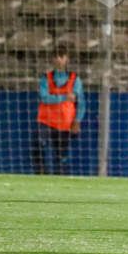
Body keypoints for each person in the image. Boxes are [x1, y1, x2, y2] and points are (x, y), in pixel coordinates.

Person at [33, 44, 85, 175]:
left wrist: (77, 121)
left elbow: (82, 102)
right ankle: (41, 174)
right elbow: (44, 98)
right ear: (52, 59)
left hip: (64, 123)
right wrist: (64, 97)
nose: (58, 59)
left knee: (62, 155)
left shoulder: (75, 79)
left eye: (61, 56)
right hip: (46, 121)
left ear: (67, 59)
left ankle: (60, 178)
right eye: (55, 56)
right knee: (39, 144)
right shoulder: (46, 78)